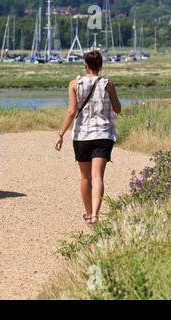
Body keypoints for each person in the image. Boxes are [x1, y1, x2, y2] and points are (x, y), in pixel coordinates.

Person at [55, 50, 121, 225]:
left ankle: (88, 213)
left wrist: (60, 134)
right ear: (100, 66)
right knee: (97, 176)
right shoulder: (108, 84)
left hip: (82, 136)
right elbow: (117, 109)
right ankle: (95, 216)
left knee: (85, 177)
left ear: (85, 65)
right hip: (103, 134)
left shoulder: (74, 84)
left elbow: (71, 112)